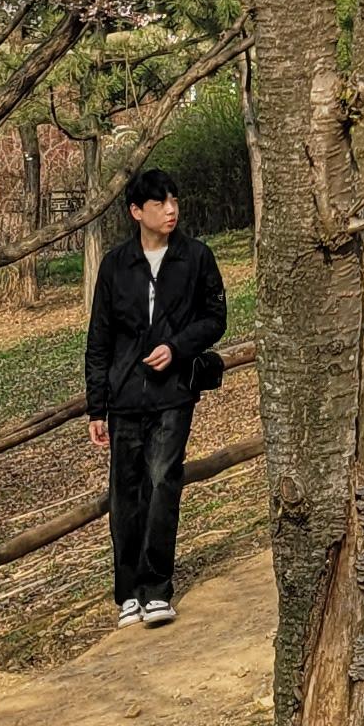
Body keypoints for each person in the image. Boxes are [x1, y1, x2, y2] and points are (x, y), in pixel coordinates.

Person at [84, 164, 231, 628]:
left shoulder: (196, 257)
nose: (171, 210)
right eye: (159, 203)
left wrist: (177, 347)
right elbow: (99, 339)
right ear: (136, 211)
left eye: (174, 201)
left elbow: (215, 318)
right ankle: (128, 591)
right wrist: (96, 406)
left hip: (174, 393)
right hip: (124, 396)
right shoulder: (115, 265)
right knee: (125, 492)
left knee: (163, 482)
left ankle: (156, 588)